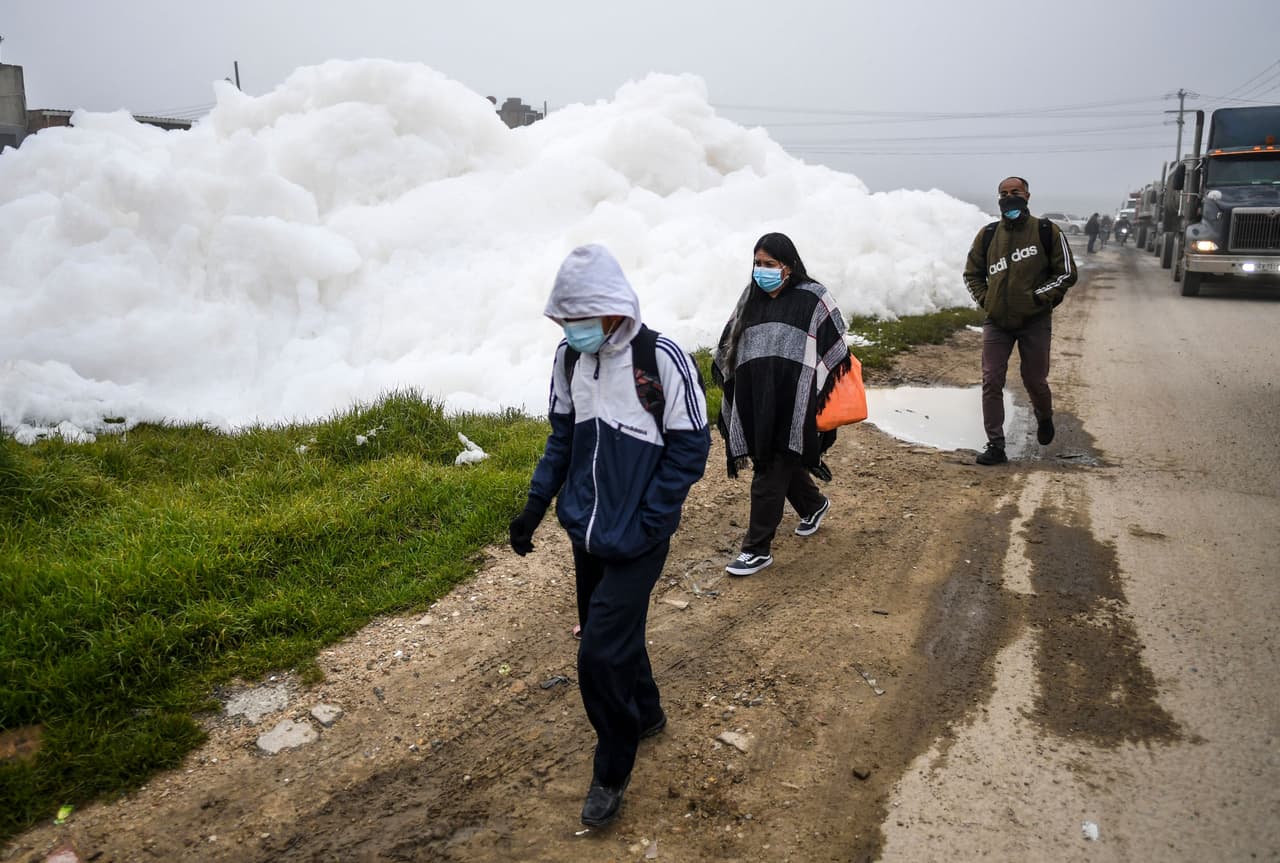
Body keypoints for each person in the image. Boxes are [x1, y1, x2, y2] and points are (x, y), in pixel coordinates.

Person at [508, 244, 710, 828]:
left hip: (640, 537)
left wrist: (652, 518)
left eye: (581, 316)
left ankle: (612, 767)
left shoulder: (661, 357)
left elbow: (691, 445)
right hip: (587, 533)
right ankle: (645, 713)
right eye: (564, 318)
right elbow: (561, 439)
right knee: (616, 635)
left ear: (611, 308)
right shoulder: (569, 361)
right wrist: (535, 505)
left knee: (597, 654)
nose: (572, 328)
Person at [712, 232, 852, 577]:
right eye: (757, 264)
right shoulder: (751, 297)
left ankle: (756, 549)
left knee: (769, 466)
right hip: (756, 395)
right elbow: (730, 343)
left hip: (795, 398)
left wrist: (817, 388)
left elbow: (835, 345)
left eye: (769, 264)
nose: (762, 270)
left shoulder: (813, 298)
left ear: (787, 266)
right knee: (777, 458)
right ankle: (814, 504)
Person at [963, 176, 1078, 466]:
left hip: (1035, 321)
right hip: (997, 322)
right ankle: (996, 445)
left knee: (1034, 379)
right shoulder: (988, 235)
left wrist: (1037, 298)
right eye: (1003, 193)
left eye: (1015, 192)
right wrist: (987, 300)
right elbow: (972, 274)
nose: (1009, 197)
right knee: (991, 381)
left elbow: (1066, 273)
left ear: (1027, 196)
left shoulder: (1045, 231)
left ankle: (1044, 417)